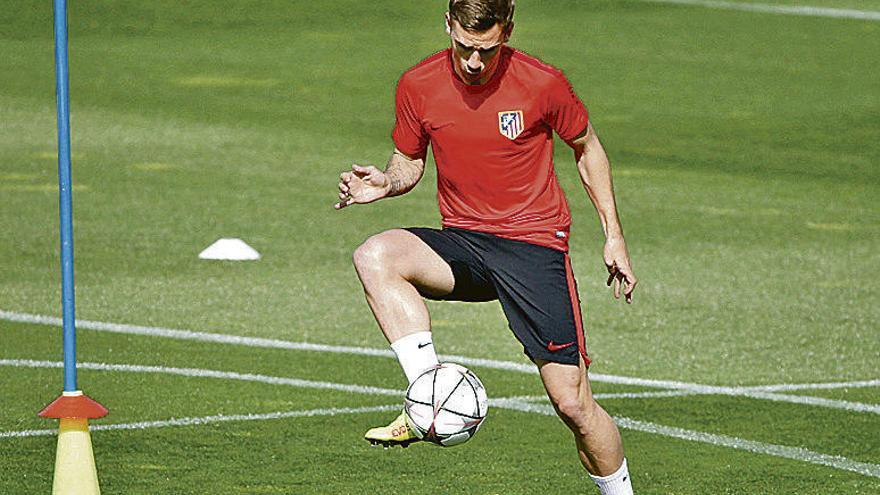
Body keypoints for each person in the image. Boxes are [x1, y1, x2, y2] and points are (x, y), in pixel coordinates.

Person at [335, 1, 637, 493]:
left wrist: (614, 235)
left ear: (508, 32)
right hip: (465, 243)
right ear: (448, 27)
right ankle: (427, 395)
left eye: (487, 50)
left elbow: (587, 146)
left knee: (573, 404)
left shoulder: (542, 83)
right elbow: (408, 161)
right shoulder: (418, 84)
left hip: (533, 246)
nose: (474, 62)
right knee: (375, 255)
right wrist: (385, 185)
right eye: (465, 48)